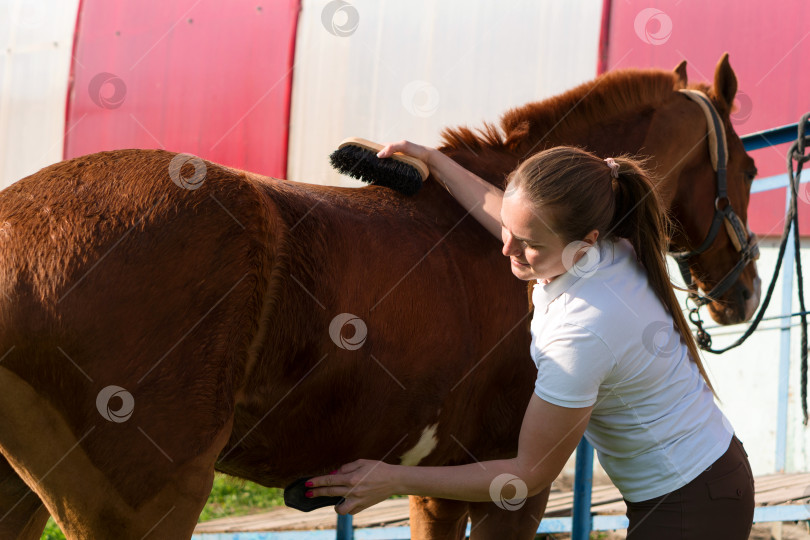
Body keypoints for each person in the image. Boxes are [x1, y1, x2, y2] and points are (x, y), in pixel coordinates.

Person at [307, 142, 755, 539]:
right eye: (509, 230)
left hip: (694, 506)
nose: (507, 250)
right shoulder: (605, 245)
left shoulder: (583, 328)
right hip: (708, 479)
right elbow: (507, 210)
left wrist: (393, 479)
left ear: (585, 241)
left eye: (528, 245)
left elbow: (527, 475)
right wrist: (434, 160)